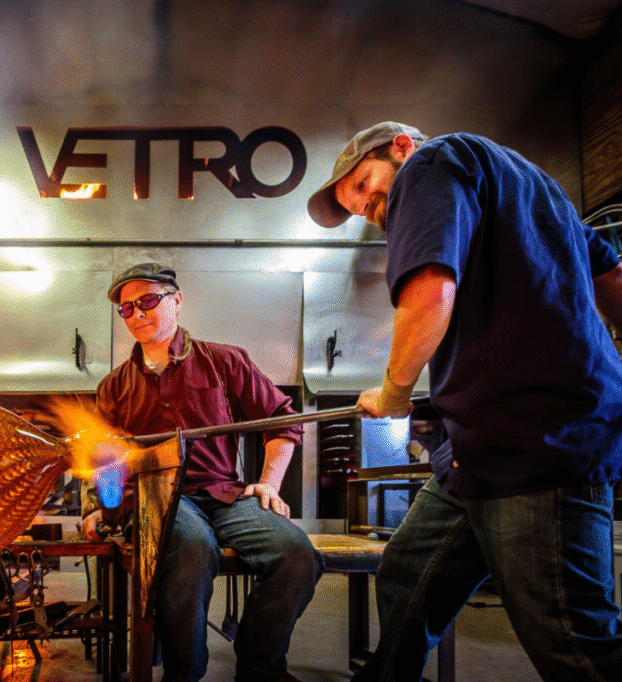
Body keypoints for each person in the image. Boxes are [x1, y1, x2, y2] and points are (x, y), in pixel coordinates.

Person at [307, 121, 622, 681]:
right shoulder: (537, 185)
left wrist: (395, 393)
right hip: (474, 455)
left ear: (400, 147)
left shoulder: (431, 164)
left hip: (536, 440)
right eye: (354, 203)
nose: (365, 207)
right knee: (407, 574)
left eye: (362, 185)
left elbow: (431, 289)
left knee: (574, 644)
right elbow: (612, 274)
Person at [81, 263, 324, 682]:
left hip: (226, 495)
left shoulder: (225, 361)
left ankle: (260, 667)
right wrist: (100, 507)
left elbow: (281, 419)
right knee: (193, 548)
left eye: (147, 301)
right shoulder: (115, 386)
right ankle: (184, 674)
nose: (137, 315)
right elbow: (106, 460)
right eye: (126, 309)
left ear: (176, 300)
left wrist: (268, 483)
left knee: (297, 554)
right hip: (157, 498)